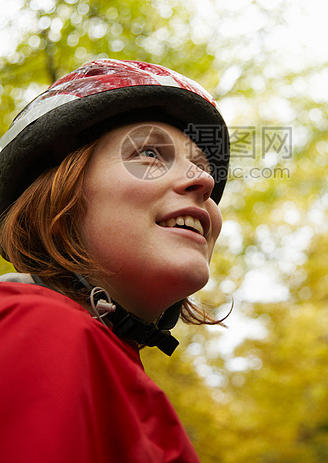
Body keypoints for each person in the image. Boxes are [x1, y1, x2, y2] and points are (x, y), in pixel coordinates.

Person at [0, 59, 230, 463]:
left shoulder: (123, 382)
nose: (205, 181)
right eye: (149, 153)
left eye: (203, 168)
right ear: (59, 195)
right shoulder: (39, 327)